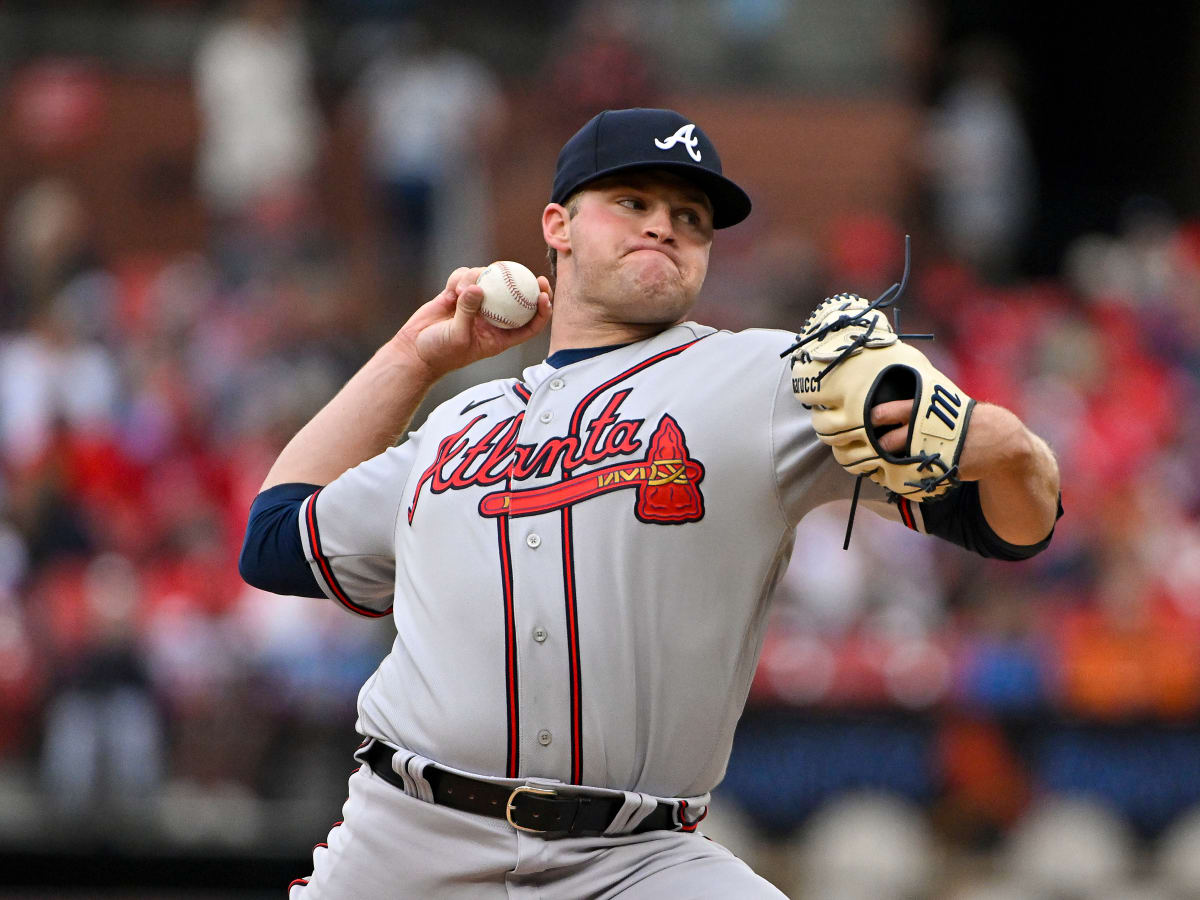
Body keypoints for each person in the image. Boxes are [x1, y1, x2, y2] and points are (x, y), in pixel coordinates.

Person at [239, 108, 1061, 897]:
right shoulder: (458, 422)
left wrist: (1009, 448)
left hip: (637, 860)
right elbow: (274, 541)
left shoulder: (768, 377)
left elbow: (1006, 525)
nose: (664, 225)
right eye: (632, 202)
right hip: (407, 845)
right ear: (557, 226)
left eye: (691, 216)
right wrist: (411, 358)